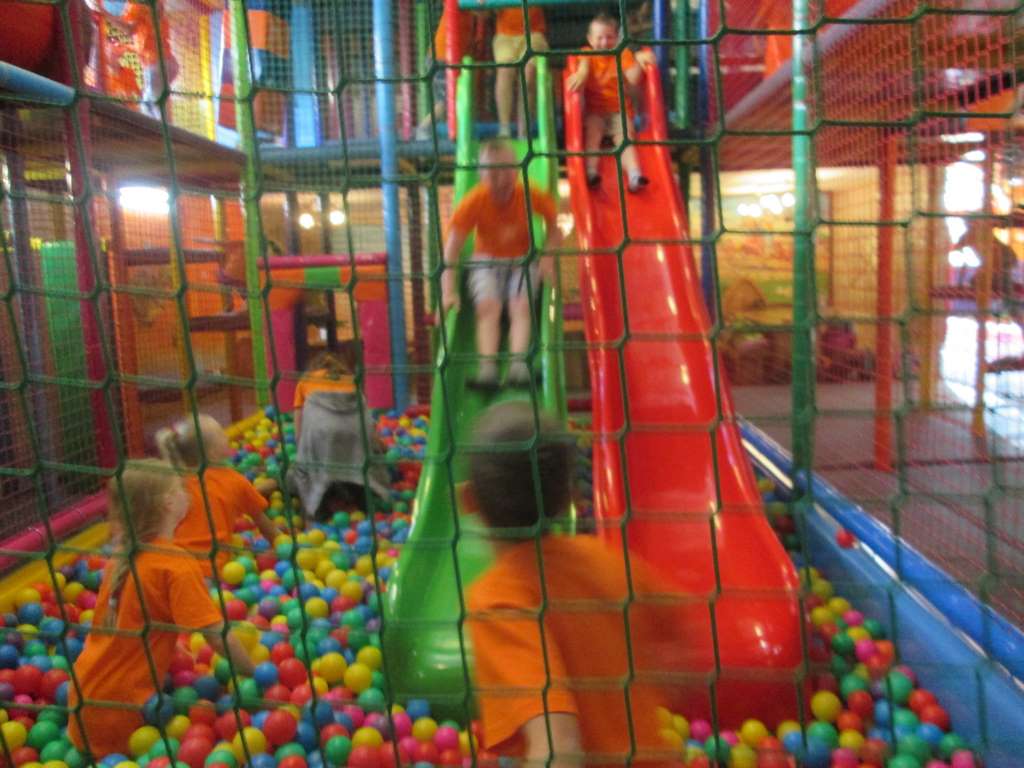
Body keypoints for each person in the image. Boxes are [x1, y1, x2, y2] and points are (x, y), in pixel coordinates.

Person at [464, 402, 685, 767]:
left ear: (468, 500)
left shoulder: (499, 600)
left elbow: (559, 745)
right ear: (570, 497)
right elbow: (685, 647)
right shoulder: (611, 563)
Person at [68, 460, 255, 758]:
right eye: (180, 487)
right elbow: (217, 635)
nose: (187, 492)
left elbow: (137, 618)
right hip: (125, 721)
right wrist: (254, 674)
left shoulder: (121, 557)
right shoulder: (175, 565)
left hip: (83, 707)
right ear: (169, 503)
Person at [442, 140, 561, 389]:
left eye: (507, 171)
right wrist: (448, 291)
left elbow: (554, 228)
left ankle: (518, 367)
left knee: (521, 306)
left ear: (516, 171)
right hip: (486, 261)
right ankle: (488, 369)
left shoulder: (528, 194)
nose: (501, 180)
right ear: (481, 176)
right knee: (488, 307)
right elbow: (451, 250)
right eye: (493, 174)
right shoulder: (474, 201)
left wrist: (548, 257)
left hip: (522, 259)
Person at [156, 414, 280, 577]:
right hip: (209, 570)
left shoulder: (173, 481)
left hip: (168, 564)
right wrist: (284, 546)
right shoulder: (234, 480)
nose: (226, 437)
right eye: (222, 434)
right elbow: (265, 525)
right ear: (213, 453)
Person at [287, 347, 391, 521]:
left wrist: (303, 454)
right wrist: (378, 445)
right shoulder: (351, 381)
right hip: (355, 437)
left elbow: (300, 431)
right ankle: (362, 500)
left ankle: (316, 509)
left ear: (314, 368)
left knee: (308, 470)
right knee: (358, 463)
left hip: (321, 433)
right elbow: (365, 420)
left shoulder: (306, 381)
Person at [566, 12, 657, 193]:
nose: (604, 42)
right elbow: (583, 67)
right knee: (593, 134)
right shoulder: (587, 53)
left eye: (609, 37)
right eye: (599, 38)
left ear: (617, 38)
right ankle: (591, 172)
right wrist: (581, 73)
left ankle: (634, 175)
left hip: (619, 111)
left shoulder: (622, 54)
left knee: (625, 139)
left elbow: (633, 79)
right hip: (595, 112)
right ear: (590, 39)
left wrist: (639, 60)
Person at [416, 6, 480, 140]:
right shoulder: (457, 4)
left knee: (452, 99)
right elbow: (481, 11)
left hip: (447, 59)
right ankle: (424, 128)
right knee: (448, 99)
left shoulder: (469, 13)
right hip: (441, 58)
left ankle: (450, 133)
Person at [492, 6, 549, 138]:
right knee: (505, 71)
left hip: (533, 34)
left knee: (528, 76)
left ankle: (524, 131)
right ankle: (504, 129)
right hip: (505, 35)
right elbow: (482, 12)